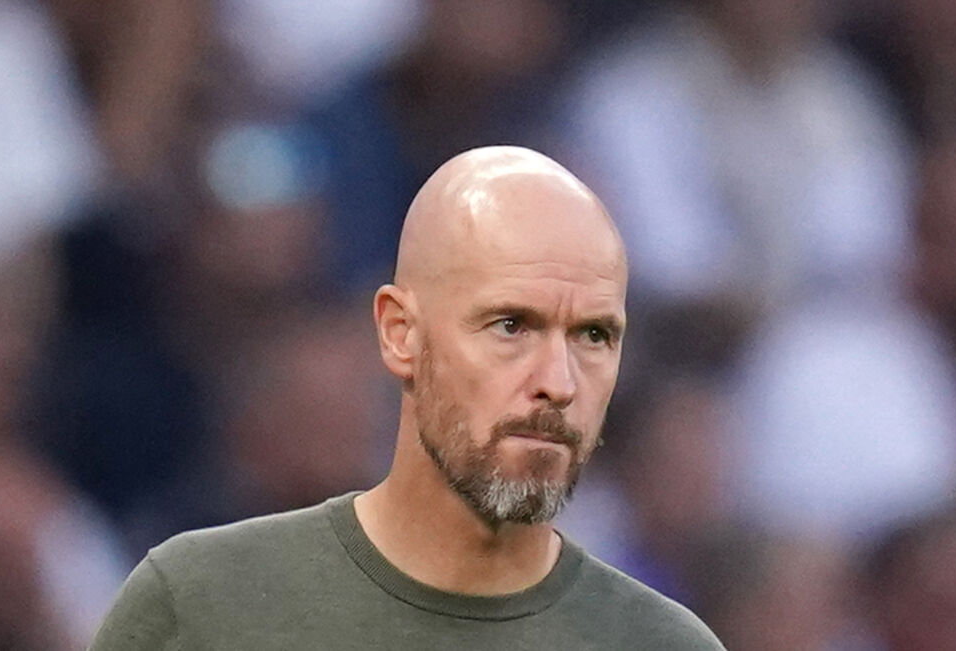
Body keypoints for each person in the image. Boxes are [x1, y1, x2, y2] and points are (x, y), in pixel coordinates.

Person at [89, 146, 726, 649]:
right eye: (511, 326)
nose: (558, 382)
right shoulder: (199, 606)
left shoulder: (662, 643)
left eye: (593, 335)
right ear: (400, 334)